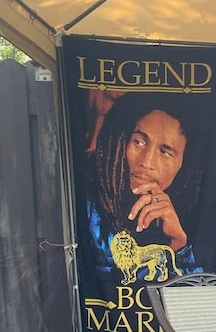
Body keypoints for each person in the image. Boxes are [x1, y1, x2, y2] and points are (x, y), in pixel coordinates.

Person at [85, 93, 204, 283]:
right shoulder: (89, 207)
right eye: (139, 142)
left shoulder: (193, 216)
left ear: (183, 164)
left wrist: (178, 244)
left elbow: (196, 293)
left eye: (165, 152)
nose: (146, 162)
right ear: (121, 142)